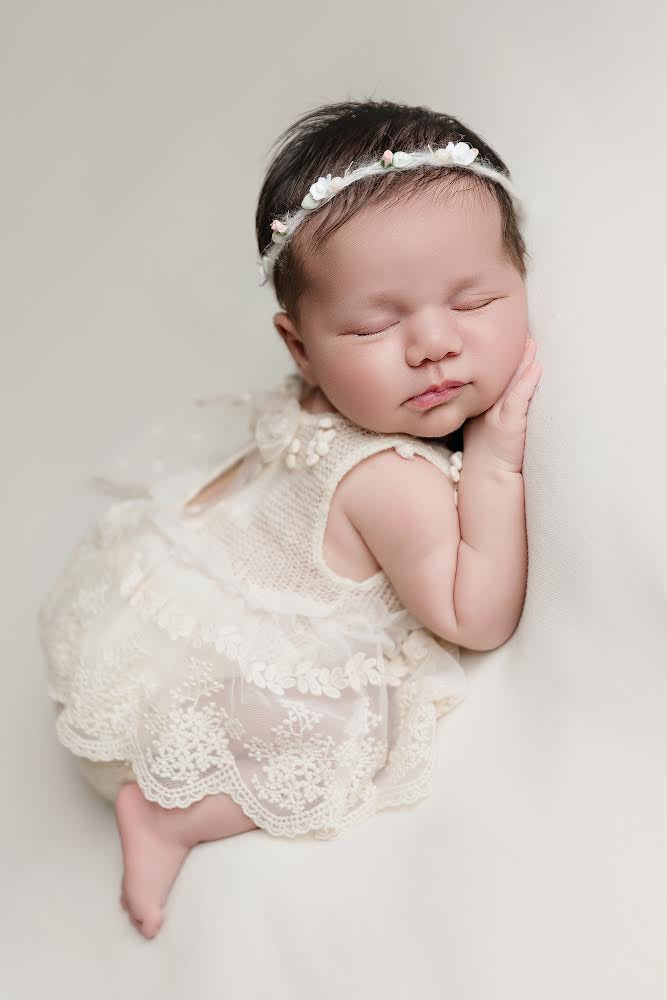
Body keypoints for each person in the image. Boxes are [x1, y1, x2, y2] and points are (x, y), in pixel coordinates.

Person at [37, 98, 542, 940]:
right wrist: (492, 460)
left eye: (472, 300)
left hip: (161, 615)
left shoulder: (330, 397)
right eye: (374, 323)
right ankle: (169, 818)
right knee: (340, 745)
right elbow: (475, 616)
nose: (431, 344)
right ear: (299, 346)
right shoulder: (391, 479)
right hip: (204, 704)